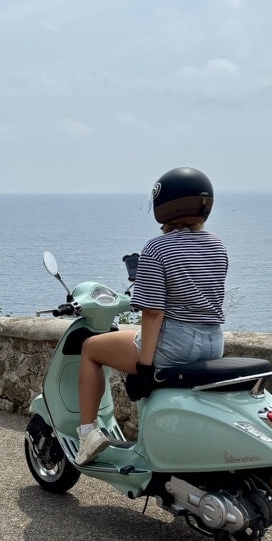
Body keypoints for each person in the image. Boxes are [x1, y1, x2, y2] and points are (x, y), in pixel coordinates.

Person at [76, 167, 228, 464]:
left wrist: (144, 368)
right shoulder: (217, 244)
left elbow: (154, 312)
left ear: (165, 206)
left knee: (91, 348)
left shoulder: (158, 247)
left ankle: (88, 434)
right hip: (213, 342)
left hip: (175, 343)